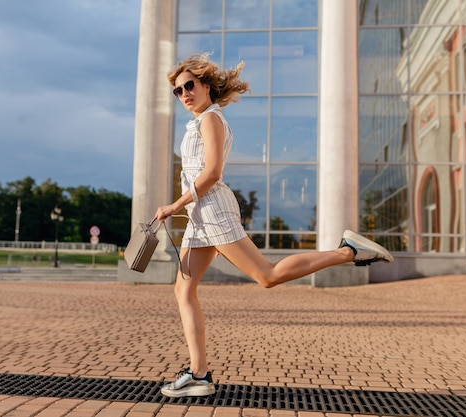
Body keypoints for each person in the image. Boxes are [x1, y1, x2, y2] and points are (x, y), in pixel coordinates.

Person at [154, 53, 394, 398]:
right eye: (178, 91)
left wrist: (175, 206)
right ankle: (199, 374)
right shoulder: (199, 122)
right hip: (200, 218)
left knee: (266, 276)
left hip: (213, 211)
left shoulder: (211, 119)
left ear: (206, 86)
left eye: (189, 86)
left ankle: (348, 252)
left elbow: (213, 173)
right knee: (183, 290)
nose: (185, 94)